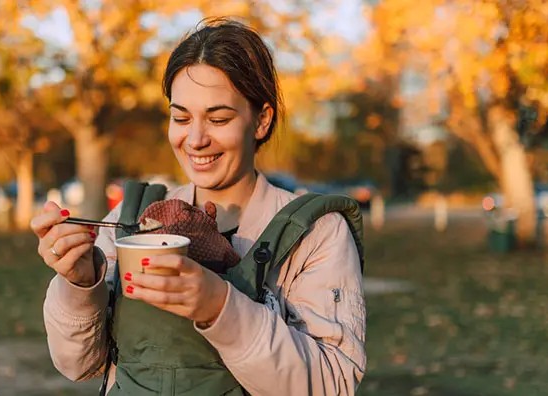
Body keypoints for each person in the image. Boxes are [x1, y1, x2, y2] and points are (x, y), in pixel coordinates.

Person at [30, 17, 366, 395]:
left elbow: (331, 384)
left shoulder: (317, 233)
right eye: (181, 117)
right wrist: (79, 283)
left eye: (218, 118)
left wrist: (219, 306)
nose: (195, 139)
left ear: (261, 121)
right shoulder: (133, 218)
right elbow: (78, 364)